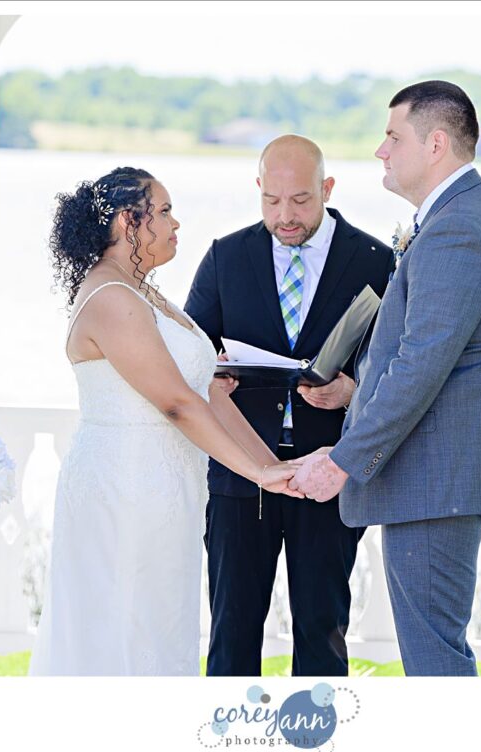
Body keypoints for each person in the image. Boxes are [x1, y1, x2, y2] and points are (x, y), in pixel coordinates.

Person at [291, 81, 481, 676]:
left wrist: (344, 460)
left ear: (435, 144)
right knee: (433, 653)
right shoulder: (463, 215)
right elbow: (431, 358)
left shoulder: (459, 230)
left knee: (434, 661)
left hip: (436, 480)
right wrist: (356, 394)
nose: (380, 151)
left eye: (392, 137)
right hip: (438, 477)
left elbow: (418, 367)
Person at [28, 168, 302, 676]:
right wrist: (257, 475)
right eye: (166, 211)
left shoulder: (145, 293)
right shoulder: (111, 298)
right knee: (124, 631)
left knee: (161, 626)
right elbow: (177, 403)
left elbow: (207, 392)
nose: (178, 223)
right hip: (125, 488)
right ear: (129, 221)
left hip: (166, 489)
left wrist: (274, 467)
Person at [185, 135, 394, 676]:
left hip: (328, 471)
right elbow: (186, 359)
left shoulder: (376, 260)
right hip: (240, 477)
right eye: (271, 201)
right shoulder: (225, 257)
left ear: (327, 188)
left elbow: (400, 367)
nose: (285, 215)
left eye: (300, 200)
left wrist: (352, 392)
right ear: (258, 189)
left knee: (323, 630)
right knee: (231, 632)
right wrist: (213, 374)